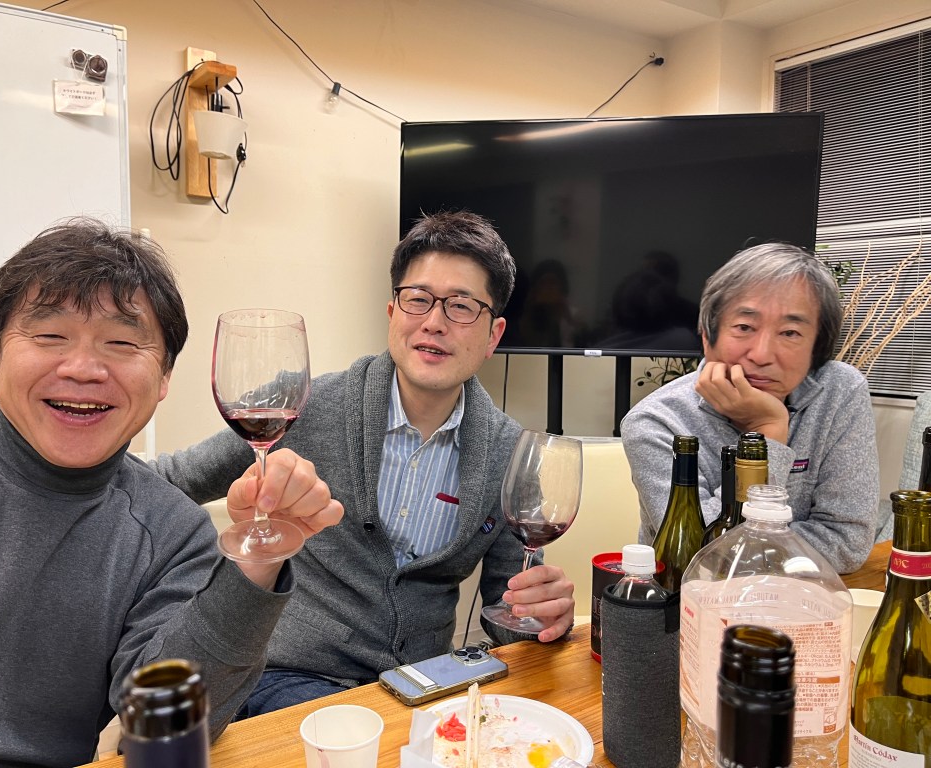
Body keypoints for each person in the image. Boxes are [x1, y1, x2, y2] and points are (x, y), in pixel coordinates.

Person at [0, 219, 342, 767]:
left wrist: (258, 562)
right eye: (50, 336)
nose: (83, 368)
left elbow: (165, 729)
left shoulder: (171, 533)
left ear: (163, 379)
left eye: (121, 343)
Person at [153, 210, 577, 716]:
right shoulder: (301, 403)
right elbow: (169, 482)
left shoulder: (510, 452)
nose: (434, 321)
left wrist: (544, 616)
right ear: (393, 312)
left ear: (493, 335)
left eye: (462, 306)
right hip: (291, 678)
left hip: (424, 687)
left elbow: (508, 613)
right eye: (418, 299)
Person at [621, 242, 879, 573]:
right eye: (744, 327)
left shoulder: (840, 391)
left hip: (803, 597)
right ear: (707, 335)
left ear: (817, 346)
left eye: (790, 332)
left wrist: (747, 548)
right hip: (688, 600)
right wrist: (768, 431)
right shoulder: (656, 422)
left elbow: (847, 543)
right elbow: (704, 560)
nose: (761, 354)